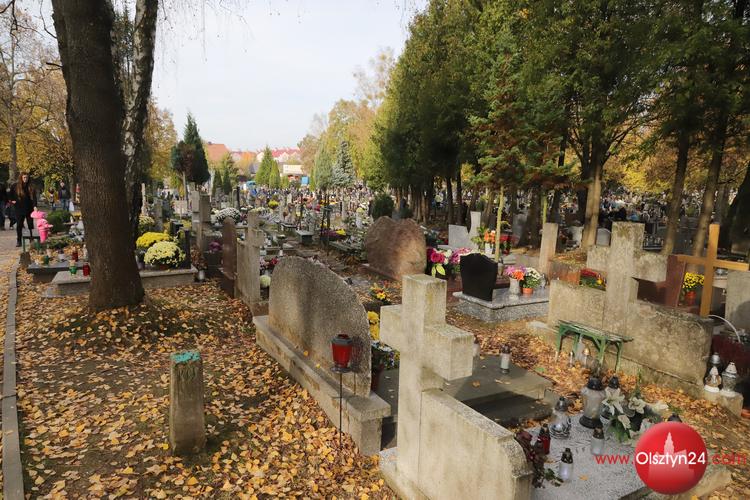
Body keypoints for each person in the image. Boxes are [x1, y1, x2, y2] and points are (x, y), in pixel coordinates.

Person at [9, 172, 37, 247]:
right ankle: (19, 240)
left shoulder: (31, 186)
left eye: (27, 177)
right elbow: (10, 194)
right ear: (21, 178)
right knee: (19, 225)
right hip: (19, 208)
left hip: (29, 208)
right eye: (24, 177)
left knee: (30, 224)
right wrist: (12, 200)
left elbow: (34, 197)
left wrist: (35, 206)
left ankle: (31, 239)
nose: (25, 179)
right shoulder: (15, 186)